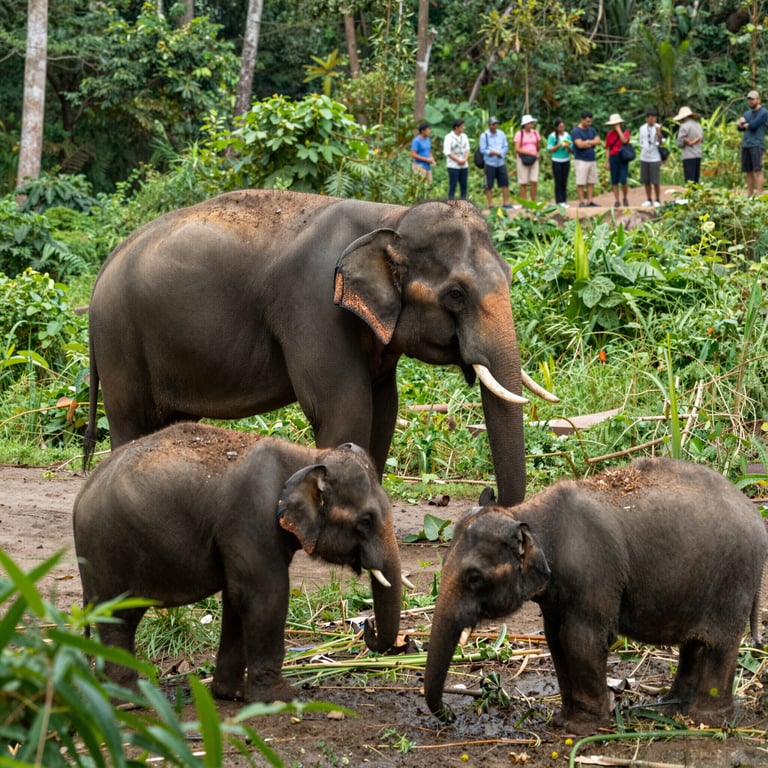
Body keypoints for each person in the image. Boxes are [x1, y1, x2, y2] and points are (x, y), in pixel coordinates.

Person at [737, 90, 768, 196]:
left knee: (757, 170)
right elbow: (740, 128)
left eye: (753, 99)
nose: (750, 101)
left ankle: (759, 194)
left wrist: (744, 123)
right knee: (748, 170)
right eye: (749, 99)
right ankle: (749, 194)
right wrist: (743, 124)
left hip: (757, 144)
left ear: (758, 100)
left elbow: (753, 125)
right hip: (746, 144)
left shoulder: (763, 112)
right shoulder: (747, 113)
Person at [479, 116, 511, 209]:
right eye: (493, 124)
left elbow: (505, 146)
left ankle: (505, 202)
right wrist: (492, 153)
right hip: (489, 163)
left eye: (496, 124)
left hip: (500, 162)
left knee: (505, 182)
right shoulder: (484, 135)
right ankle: (490, 204)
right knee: (489, 184)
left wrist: (502, 153)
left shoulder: (501, 134)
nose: (495, 126)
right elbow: (482, 149)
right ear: (489, 125)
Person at [571, 111, 601, 207]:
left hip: (592, 159)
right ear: (582, 120)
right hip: (581, 160)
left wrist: (587, 142)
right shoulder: (576, 131)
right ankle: (581, 201)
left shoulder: (592, 130)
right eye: (587, 121)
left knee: (591, 181)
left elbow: (598, 141)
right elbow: (579, 145)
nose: (589, 123)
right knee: (580, 182)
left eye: (590, 121)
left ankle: (590, 201)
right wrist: (591, 142)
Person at [604, 113, 631, 207]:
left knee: (623, 180)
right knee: (614, 180)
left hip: (623, 157)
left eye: (617, 123)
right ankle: (617, 200)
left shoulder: (625, 132)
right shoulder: (609, 134)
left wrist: (619, 130)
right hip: (613, 158)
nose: (615, 125)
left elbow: (624, 141)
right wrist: (607, 162)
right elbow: (608, 148)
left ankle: (625, 197)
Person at [638, 108, 663, 207]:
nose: (652, 119)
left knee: (655, 180)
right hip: (644, 157)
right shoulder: (642, 128)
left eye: (654, 117)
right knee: (646, 180)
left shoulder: (658, 127)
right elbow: (640, 141)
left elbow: (661, 143)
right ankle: (648, 199)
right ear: (646, 118)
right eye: (650, 117)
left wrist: (659, 133)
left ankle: (657, 199)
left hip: (655, 157)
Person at [513, 114, 541, 202]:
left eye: (532, 123)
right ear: (525, 124)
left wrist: (537, 148)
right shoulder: (519, 134)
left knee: (534, 181)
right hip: (522, 159)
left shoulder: (535, 133)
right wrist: (531, 153)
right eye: (530, 123)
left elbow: (538, 146)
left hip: (534, 159)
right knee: (523, 182)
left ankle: (533, 201)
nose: (532, 124)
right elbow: (517, 149)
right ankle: (524, 202)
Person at [673, 106, 703, 184]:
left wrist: (688, 142)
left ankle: (690, 192)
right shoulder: (698, 125)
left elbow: (680, 143)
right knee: (696, 180)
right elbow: (701, 139)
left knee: (689, 180)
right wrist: (694, 141)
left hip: (688, 155)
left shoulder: (684, 126)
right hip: (698, 154)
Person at [546, 118, 572, 207]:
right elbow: (549, 149)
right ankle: (558, 201)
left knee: (564, 181)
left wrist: (567, 146)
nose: (562, 128)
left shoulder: (567, 135)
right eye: (560, 127)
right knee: (558, 181)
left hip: (566, 160)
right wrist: (559, 145)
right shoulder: (552, 136)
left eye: (563, 127)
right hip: (556, 161)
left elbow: (571, 150)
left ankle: (564, 201)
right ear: (556, 127)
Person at [443, 118, 470, 199]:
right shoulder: (448, 137)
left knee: (464, 185)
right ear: (456, 127)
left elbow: (467, 149)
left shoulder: (464, 136)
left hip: (464, 165)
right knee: (453, 185)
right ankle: (450, 203)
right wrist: (458, 160)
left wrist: (465, 159)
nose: (464, 128)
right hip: (453, 166)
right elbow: (447, 152)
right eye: (462, 126)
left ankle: (463, 202)